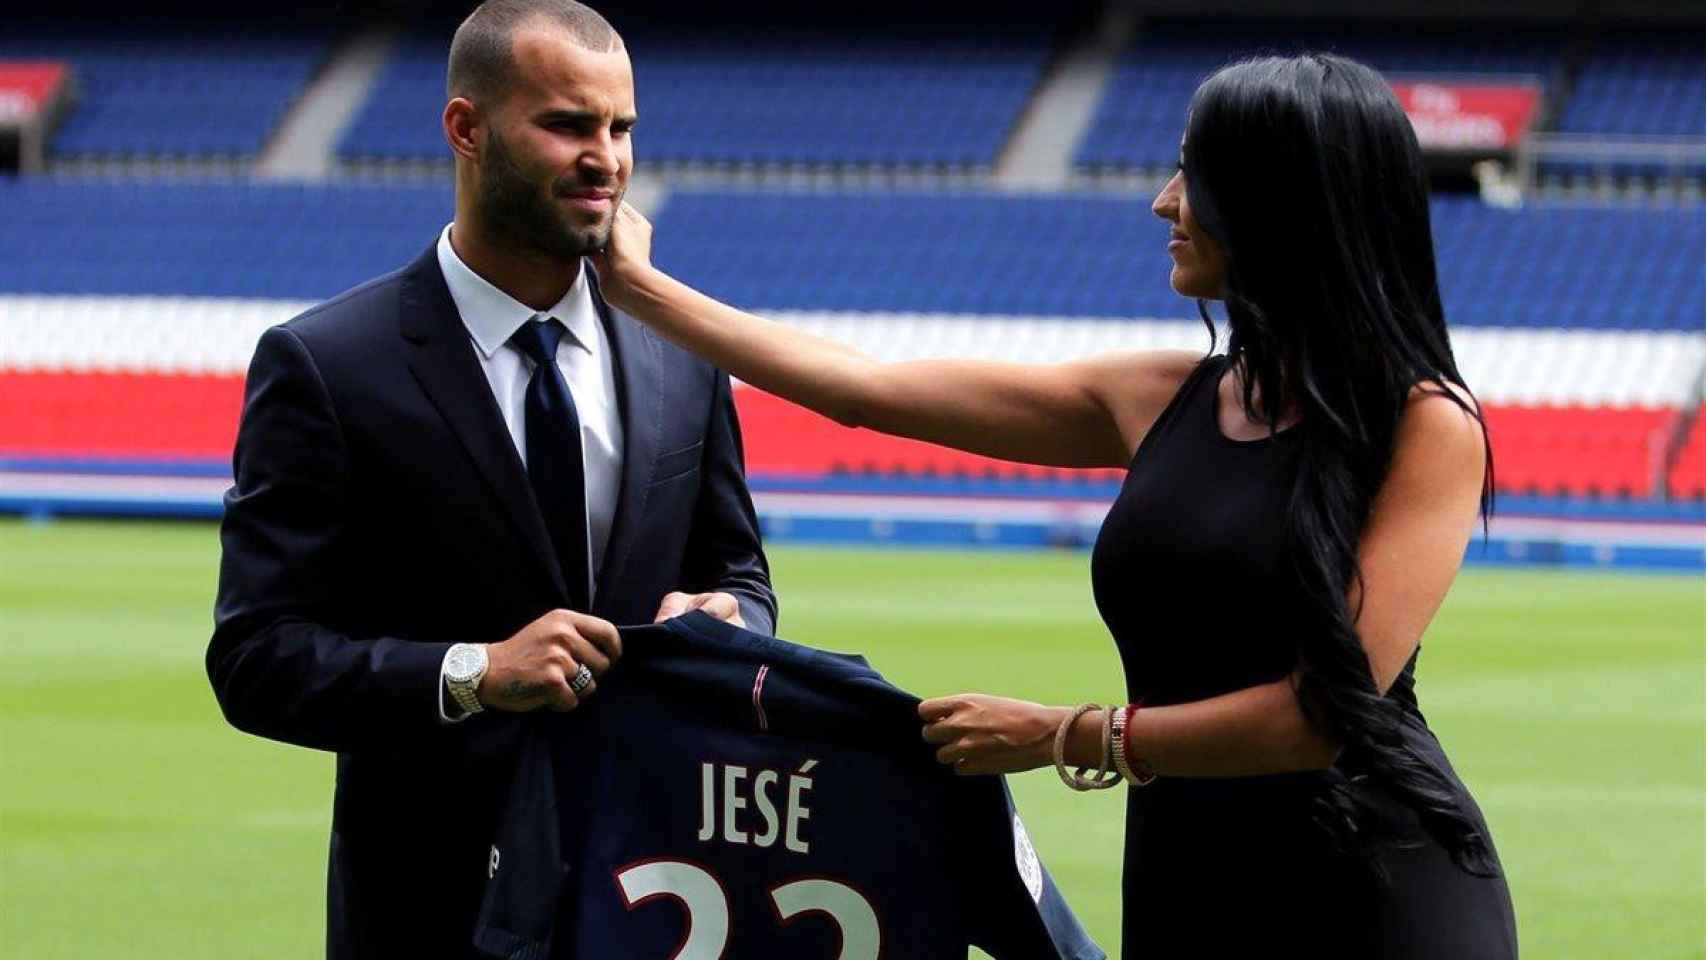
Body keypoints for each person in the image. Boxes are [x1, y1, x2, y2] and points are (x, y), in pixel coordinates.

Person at [589, 53, 1518, 957]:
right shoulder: (1154, 397)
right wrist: (640, 288)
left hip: (1376, 886)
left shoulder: (1425, 423)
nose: (1163, 201)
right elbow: (865, 389)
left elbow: (1320, 717)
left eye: (1194, 175)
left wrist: (1057, 734)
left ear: (1281, 204)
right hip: (1185, 873)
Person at [206, 2, 775, 956]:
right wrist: (473, 673)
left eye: (620, 127)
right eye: (566, 124)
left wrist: (732, 622)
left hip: (659, 894)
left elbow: (743, 576)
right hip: (432, 908)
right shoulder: (328, 365)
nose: (606, 157)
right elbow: (257, 659)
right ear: (465, 130)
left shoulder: (684, 348)